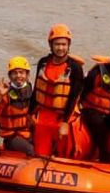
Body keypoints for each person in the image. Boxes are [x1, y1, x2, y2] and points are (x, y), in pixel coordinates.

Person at [29, 24, 86, 157]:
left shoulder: (75, 68)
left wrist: (65, 123)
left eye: (64, 44)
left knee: (62, 156)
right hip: (43, 117)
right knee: (40, 156)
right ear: (51, 45)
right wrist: (29, 113)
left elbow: (74, 97)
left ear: (68, 45)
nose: (60, 48)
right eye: (57, 44)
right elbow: (37, 89)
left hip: (62, 119)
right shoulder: (43, 63)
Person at [0, 56, 35, 155]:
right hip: (11, 137)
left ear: (27, 75)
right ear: (10, 76)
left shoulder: (32, 92)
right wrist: (1, 99)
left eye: (21, 72)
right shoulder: (2, 93)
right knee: (32, 151)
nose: (18, 76)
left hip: (27, 134)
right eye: (14, 73)